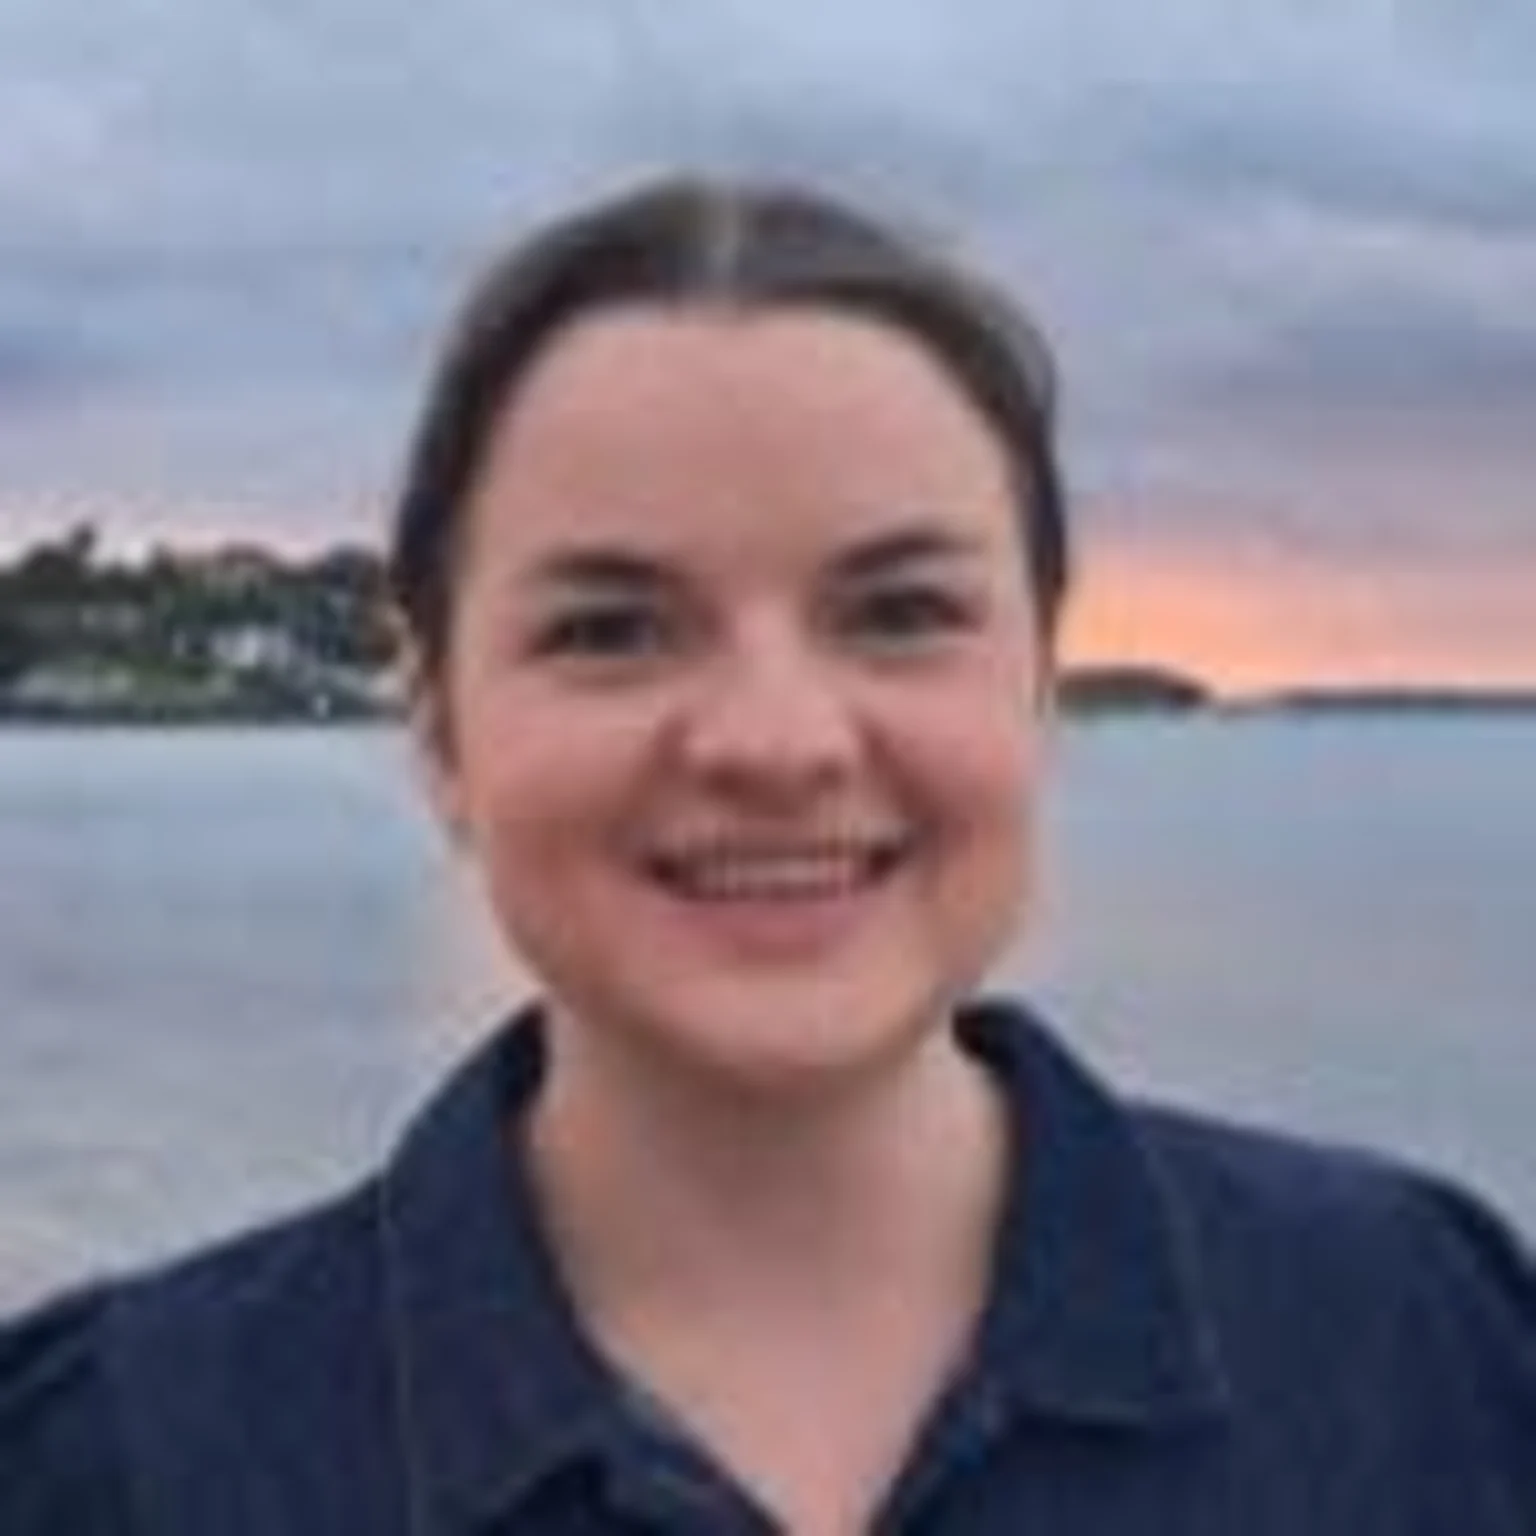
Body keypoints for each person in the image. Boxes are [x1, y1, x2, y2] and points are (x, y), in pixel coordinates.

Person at [2, 174, 1532, 1534]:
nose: (777, 740)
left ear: (1039, 685)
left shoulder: (1414, 1340)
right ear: (441, 732)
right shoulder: (122, 1455)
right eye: (610, 629)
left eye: (899, 614)